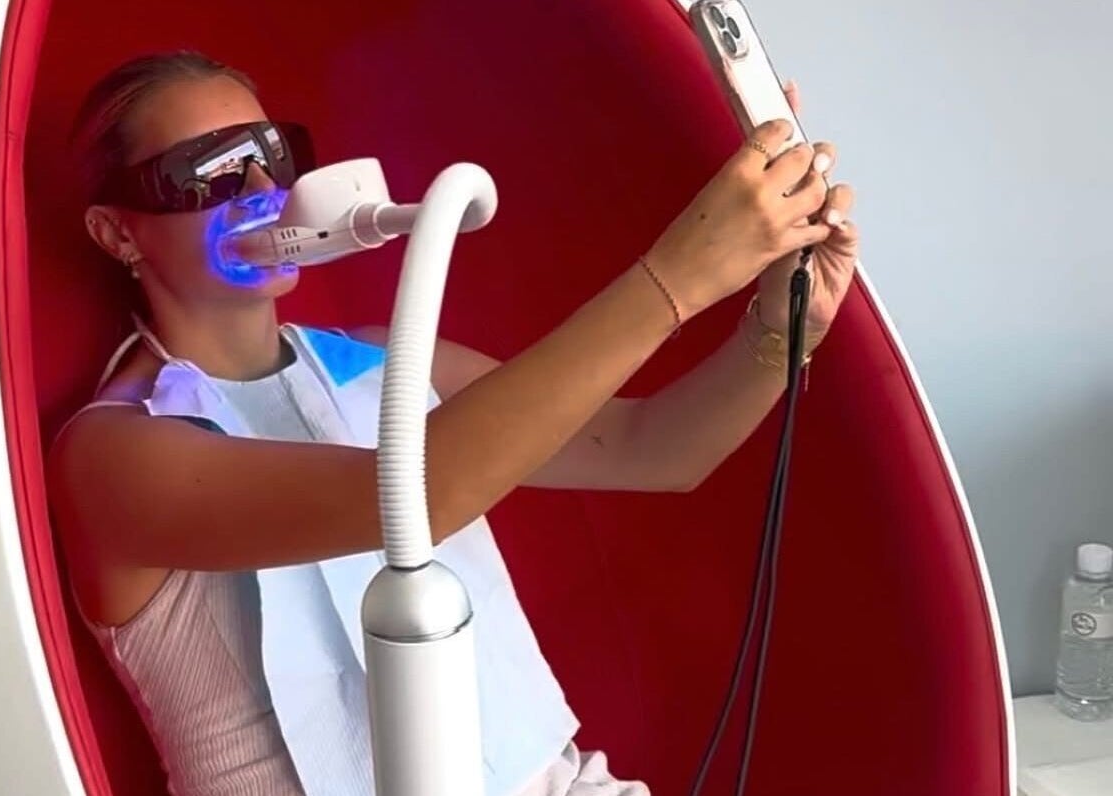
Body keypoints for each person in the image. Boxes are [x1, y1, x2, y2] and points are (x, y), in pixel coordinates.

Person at [48, 51, 859, 796]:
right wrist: (680, 273)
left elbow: (652, 449)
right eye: (209, 171)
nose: (261, 185)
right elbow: (408, 500)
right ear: (118, 232)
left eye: (273, 152)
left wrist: (781, 332)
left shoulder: (386, 362)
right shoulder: (113, 451)